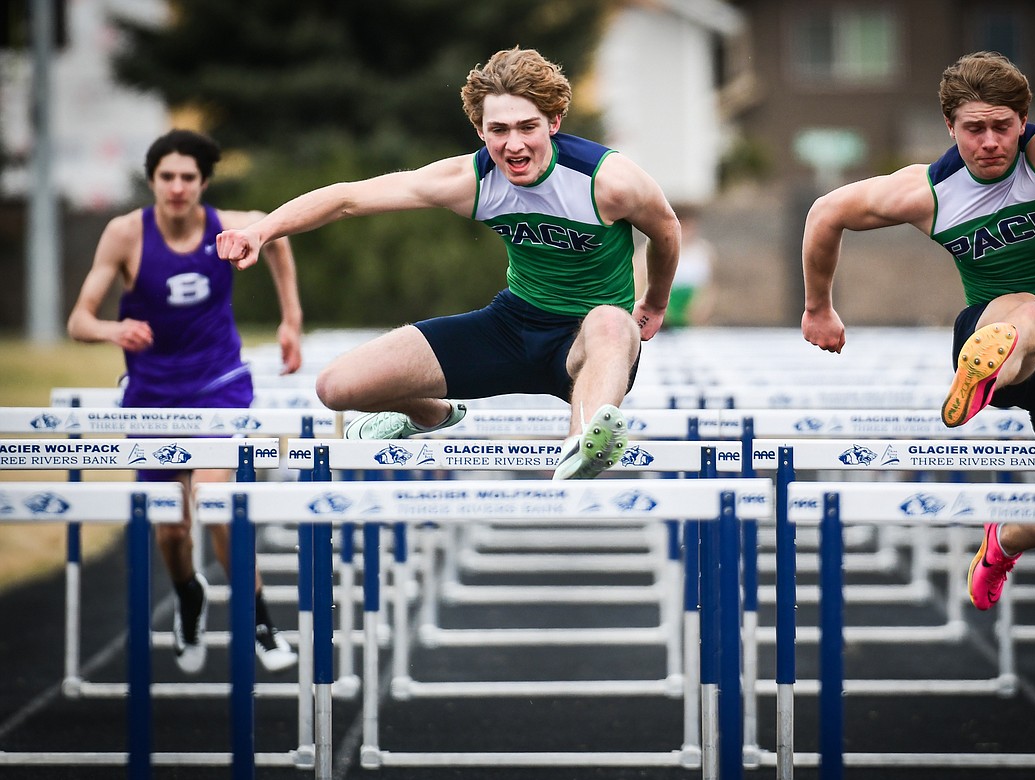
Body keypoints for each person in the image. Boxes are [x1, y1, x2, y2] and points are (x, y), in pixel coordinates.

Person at [216, 47, 680, 480]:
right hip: (513, 326)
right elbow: (348, 199)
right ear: (481, 131)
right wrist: (261, 231)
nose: (513, 145)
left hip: (591, 342)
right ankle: (429, 413)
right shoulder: (470, 181)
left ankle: (584, 445)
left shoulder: (609, 181)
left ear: (554, 122)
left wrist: (655, 301)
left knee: (611, 322)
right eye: (498, 131)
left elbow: (665, 229)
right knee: (336, 387)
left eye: (527, 127)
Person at [800, 51, 1035, 611]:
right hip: (989, 327)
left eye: (1002, 127)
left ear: (1023, 120)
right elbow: (825, 212)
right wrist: (818, 308)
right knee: (1029, 311)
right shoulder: (928, 192)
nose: (989, 142)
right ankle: (987, 375)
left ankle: (1011, 535)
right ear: (949, 127)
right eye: (974, 129)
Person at [67, 129, 304, 673]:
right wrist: (113, 330)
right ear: (152, 181)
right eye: (167, 177)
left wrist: (291, 319)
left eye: (188, 178)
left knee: (216, 498)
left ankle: (258, 618)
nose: (177, 187)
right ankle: (189, 595)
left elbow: (279, 236)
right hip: (152, 397)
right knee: (172, 528)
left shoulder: (227, 227)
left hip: (218, 385)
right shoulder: (125, 234)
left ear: (203, 183)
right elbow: (78, 320)